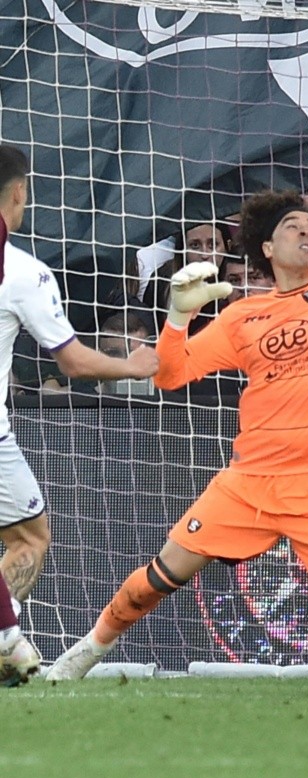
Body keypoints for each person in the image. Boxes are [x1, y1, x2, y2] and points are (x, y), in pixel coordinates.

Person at [47, 126, 308, 679]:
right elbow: (172, 375)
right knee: (158, 578)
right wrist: (178, 317)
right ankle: (79, 658)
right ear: (268, 249)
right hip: (250, 481)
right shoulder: (243, 316)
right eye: (294, 228)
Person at [0, 145, 159, 685]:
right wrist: (134, 366)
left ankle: (5, 639)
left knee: (30, 534)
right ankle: (5, 640)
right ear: (19, 192)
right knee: (30, 538)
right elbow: (70, 360)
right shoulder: (23, 271)